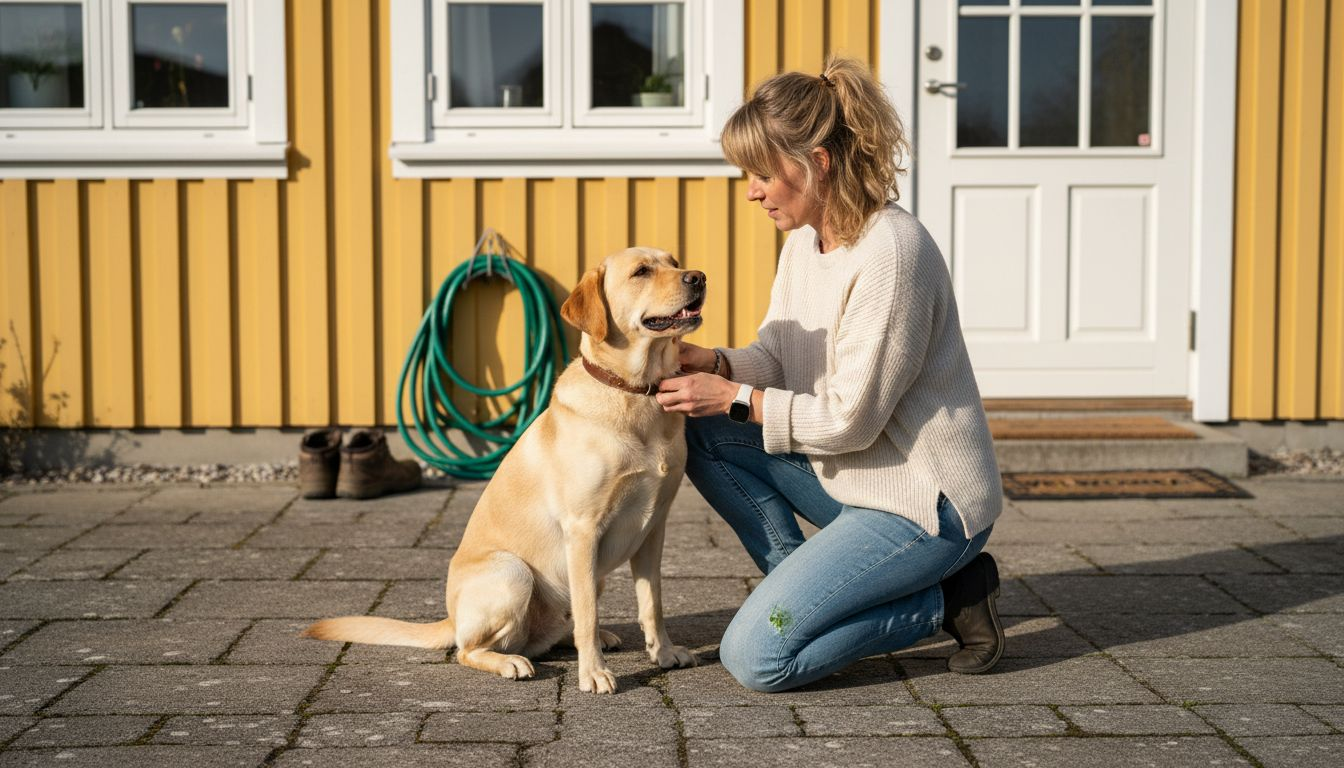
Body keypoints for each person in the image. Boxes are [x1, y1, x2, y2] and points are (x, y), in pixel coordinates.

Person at [654, 56, 1005, 692]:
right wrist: (717, 365)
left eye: (763, 173)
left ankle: (946, 599)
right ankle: (812, 594)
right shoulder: (804, 245)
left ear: (817, 162)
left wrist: (734, 395)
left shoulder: (893, 255)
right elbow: (780, 357)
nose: (752, 190)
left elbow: (849, 420)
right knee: (703, 429)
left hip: (924, 503)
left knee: (757, 658)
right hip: (853, 481)